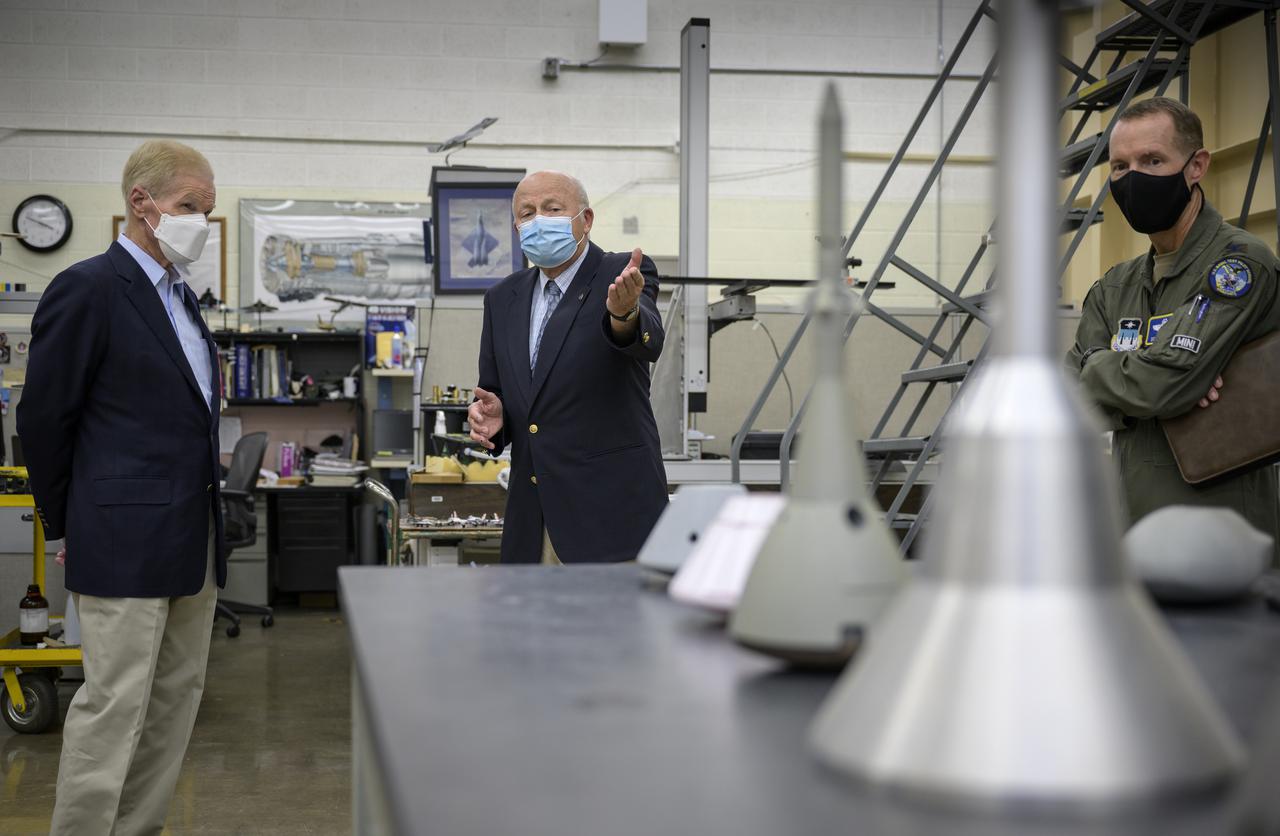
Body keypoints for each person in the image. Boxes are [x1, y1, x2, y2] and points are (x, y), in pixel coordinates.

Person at [17, 139, 224, 835]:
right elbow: (45, 418)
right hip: (122, 538)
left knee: (173, 704)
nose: (201, 220)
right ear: (142, 204)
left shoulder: (182, 302)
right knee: (115, 707)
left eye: (207, 209)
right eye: (190, 206)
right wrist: (64, 523)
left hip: (193, 540)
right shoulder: (90, 287)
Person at [1066, 97, 1280, 543]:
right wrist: (1167, 384)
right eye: (1120, 166)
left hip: (1223, 538)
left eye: (1153, 160)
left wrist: (1103, 366)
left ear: (1196, 165)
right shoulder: (1114, 287)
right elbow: (1069, 398)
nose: (1133, 177)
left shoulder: (1238, 265)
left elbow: (1164, 383)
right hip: (1133, 532)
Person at [468, 170, 668, 564]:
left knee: (616, 626)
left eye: (552, 209)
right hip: (535, 517)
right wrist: (492, 419)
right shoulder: (502, 299)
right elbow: (499, 396)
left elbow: (646, 340)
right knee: (533, 627)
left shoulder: (621, 273)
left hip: (612, 517)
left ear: (586, 220)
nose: (538, 220)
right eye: (527, 213)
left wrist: (623, 314)